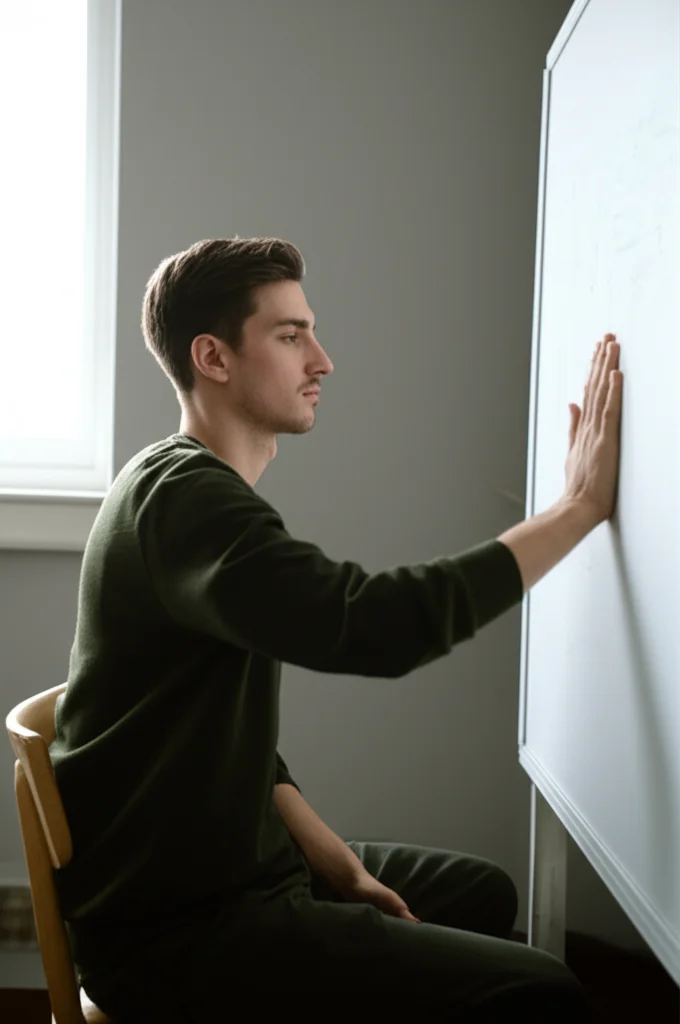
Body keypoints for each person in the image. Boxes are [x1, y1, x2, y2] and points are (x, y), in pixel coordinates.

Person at [49, 236, 623, 1020]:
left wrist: (332, 861)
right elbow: (372, 627)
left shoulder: (177, 483)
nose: (321, 359)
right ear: (213, 357)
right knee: (544, 990)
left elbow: (235, 740)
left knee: (483, 892)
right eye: (290, 336)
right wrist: (576, 510)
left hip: (235, 873)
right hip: (184, 934)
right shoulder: (188, 503)